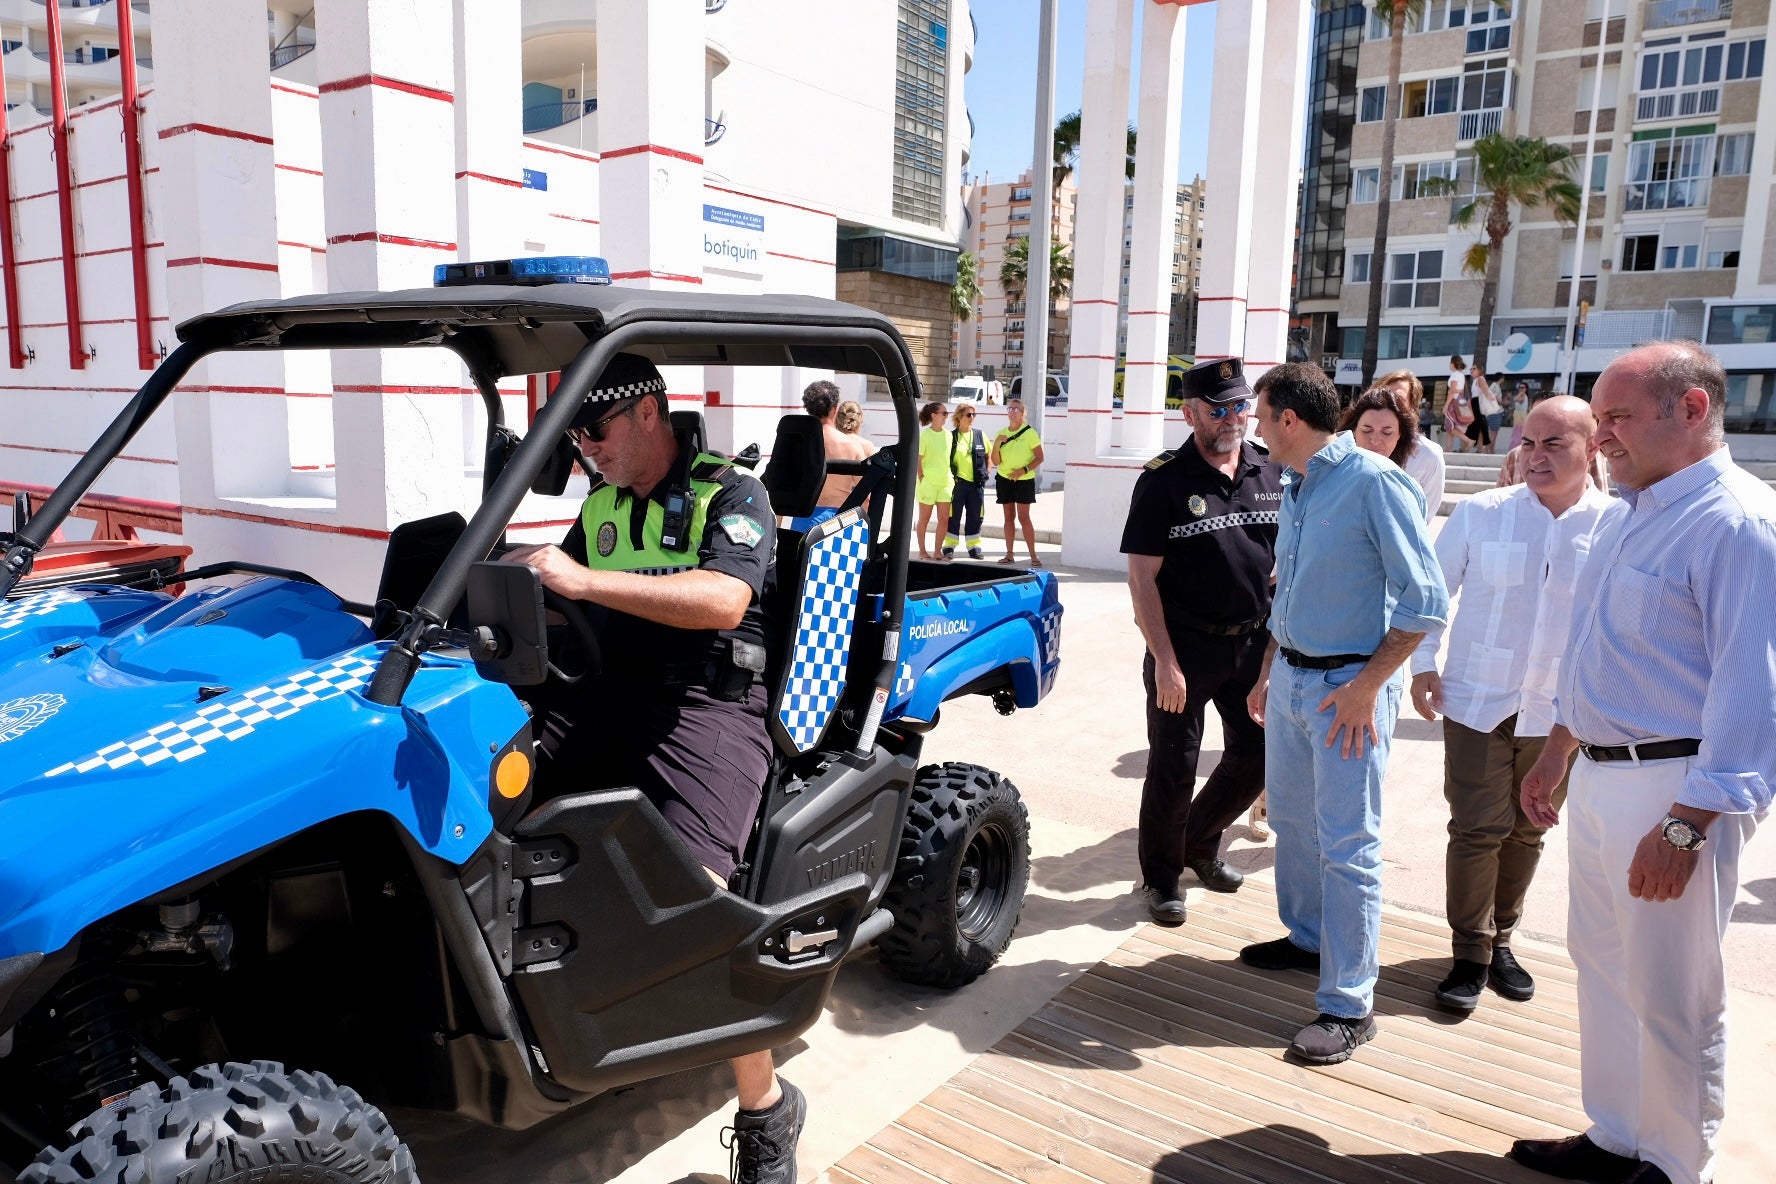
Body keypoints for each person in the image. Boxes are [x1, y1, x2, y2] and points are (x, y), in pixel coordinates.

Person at [500, 354, 805, 1184]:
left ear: (646, 411)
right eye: (573, 435)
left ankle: (766, 1108)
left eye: (593, 429)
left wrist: (585, 581)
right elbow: (557, 592)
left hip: (708, 708)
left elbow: (724, 601)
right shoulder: (598, 503)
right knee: (483, 812)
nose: (586, 448)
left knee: (695, 906)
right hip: (602, 692)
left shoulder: (731, 491)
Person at [1508, 342, 1775, 1184]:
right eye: (1601, 416)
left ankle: (1674, 1164)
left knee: (1675, 991)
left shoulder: (1737, 520)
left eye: (1617, 417)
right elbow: (1599, 649)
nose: (1602, 434)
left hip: (1674, 787)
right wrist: (1558, 751)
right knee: (1605, 965)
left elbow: (1753, 687)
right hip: (1601, 775)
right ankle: (1618, 1134)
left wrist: (1690, 823)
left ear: (1691, 410)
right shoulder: (1632, 508)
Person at [1237, 362, 1448, 1066]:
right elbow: (1289, 592)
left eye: (1261, 417)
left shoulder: (1376, 483)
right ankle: (1307, 939)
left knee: (1350, 844)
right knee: (1293, 823)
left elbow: (1425, 602)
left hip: (1348, 695)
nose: (1256, 429)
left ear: (1289, 421)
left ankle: (1350, 1005)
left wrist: (1367, 687)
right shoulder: (1298, 485)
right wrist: (1271, 671)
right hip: (1295, 681)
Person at [1408, 396, 1614, 1015]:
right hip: (1476, 702)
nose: (1537, 455)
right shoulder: (1482, 513)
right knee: (1476, 829)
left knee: (1528, 830)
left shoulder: (1615, 525)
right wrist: (1422, 666)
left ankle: (1503, 937)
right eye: (1530, 442)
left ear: (1592, 449)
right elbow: (1432, 593)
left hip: (1559, 716)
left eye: (1555, 443)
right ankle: (1469, 951)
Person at [1120, 358, 1284, 924]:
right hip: (1184, 649)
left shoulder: (1271, 472)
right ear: (1190, 413)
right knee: (1173, 767)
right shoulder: (1163, 480)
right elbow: (1142, 579)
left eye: (1241, 405)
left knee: (1260, 753)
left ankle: (1199, 841)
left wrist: (1271, 655)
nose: (1234, 418)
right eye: (1220, 409)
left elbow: (1287, 558)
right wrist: (1164, 661)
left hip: (1253, 647)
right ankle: (1162, 878)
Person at [1376, 369, 1447, 522]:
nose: (1389, 403)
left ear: (1412, 407)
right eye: (1383, 395)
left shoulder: (1428, 455)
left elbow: (1426, 514)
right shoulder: (1356, 442)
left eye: (1399, 398)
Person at [803, 379, 877, 512]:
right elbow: (865, 495)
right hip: (838, 518)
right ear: (835, 408)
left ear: (807, 408)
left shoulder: (797, 443)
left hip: (802, 514)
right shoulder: (851, 446)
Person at [991, 397, 1045, 566]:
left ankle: (1033, 556)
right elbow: (996, 461)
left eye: (1016, 409)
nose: (1012, 412)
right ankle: (1009, 554)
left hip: (1024, 481)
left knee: (1024, 518)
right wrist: (997, 443)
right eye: (1010, 409)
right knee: (1008, 517)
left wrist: (1023, 471)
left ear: (1022, 413)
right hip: (1004, 480)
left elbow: (1040, 457)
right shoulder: (1001, 433)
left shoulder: (1030, 433)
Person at [943, 402, 988, 559]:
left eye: (974, 414)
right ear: (959, 416)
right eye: (968, 415)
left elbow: (988, 456)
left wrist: (984, 473)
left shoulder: (980, 435)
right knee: (953, 516)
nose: (972, 418)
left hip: (976, 485)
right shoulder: (951, 436)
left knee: (976, 516)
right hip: (958, 484)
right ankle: (949, 547)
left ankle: (974, 548)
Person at [1339, 386, 1416, 469]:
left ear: (1400, 434)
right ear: (1354, 430)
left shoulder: (1406, 476)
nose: (1375, 440)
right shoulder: (1331, 472)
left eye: (1387, 433)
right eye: (1367, 430)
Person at [915, 401, 953, 560]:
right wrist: (922, 477)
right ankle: (923, 551)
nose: (946, 416)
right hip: (928, 482)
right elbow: (918, 458)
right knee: (924, 518)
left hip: (945, 482)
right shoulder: (925, 434)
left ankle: (938, 551)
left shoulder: (949, 435)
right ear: (934, 415)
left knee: (944, 518)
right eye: (944, 413)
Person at [1445, 356, 1473, 453]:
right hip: (1460, 401)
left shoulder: (1454, 375)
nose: (1449, 364)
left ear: (1453, 363)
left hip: (1453, 403)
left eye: (1450, 362)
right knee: (1450, 429)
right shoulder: (1461, 375)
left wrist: (1446, 405)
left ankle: (1468, 441)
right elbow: (1459, 390)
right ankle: (1448, 450)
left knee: (1449, 427)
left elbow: (1452, 391)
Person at [1467, 365, 1496, 452]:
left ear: (1480, 370)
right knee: (1478, 426)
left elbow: (1486, 390)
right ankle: (1479, 448)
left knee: (1479, 425)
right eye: (1471, 369)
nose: (1471, 370)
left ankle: (1476, 447)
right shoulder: (1475, 380)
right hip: (1475, 403)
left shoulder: (1480, 379)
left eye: (1474, 369)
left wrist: (1490, 397)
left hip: (1478, 403)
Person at [1509, 382, 1532, 450]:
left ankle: (1517, 449)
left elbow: (1515, 399)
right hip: (1518, 416)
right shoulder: (1522, 395)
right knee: (1517, 433)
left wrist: (1520, 393)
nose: (1521, 389)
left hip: (1521, 417)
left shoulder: (1523, 396)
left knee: (1518, 434)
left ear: (1526, 389)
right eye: (1519, 387)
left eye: (1523, 387)